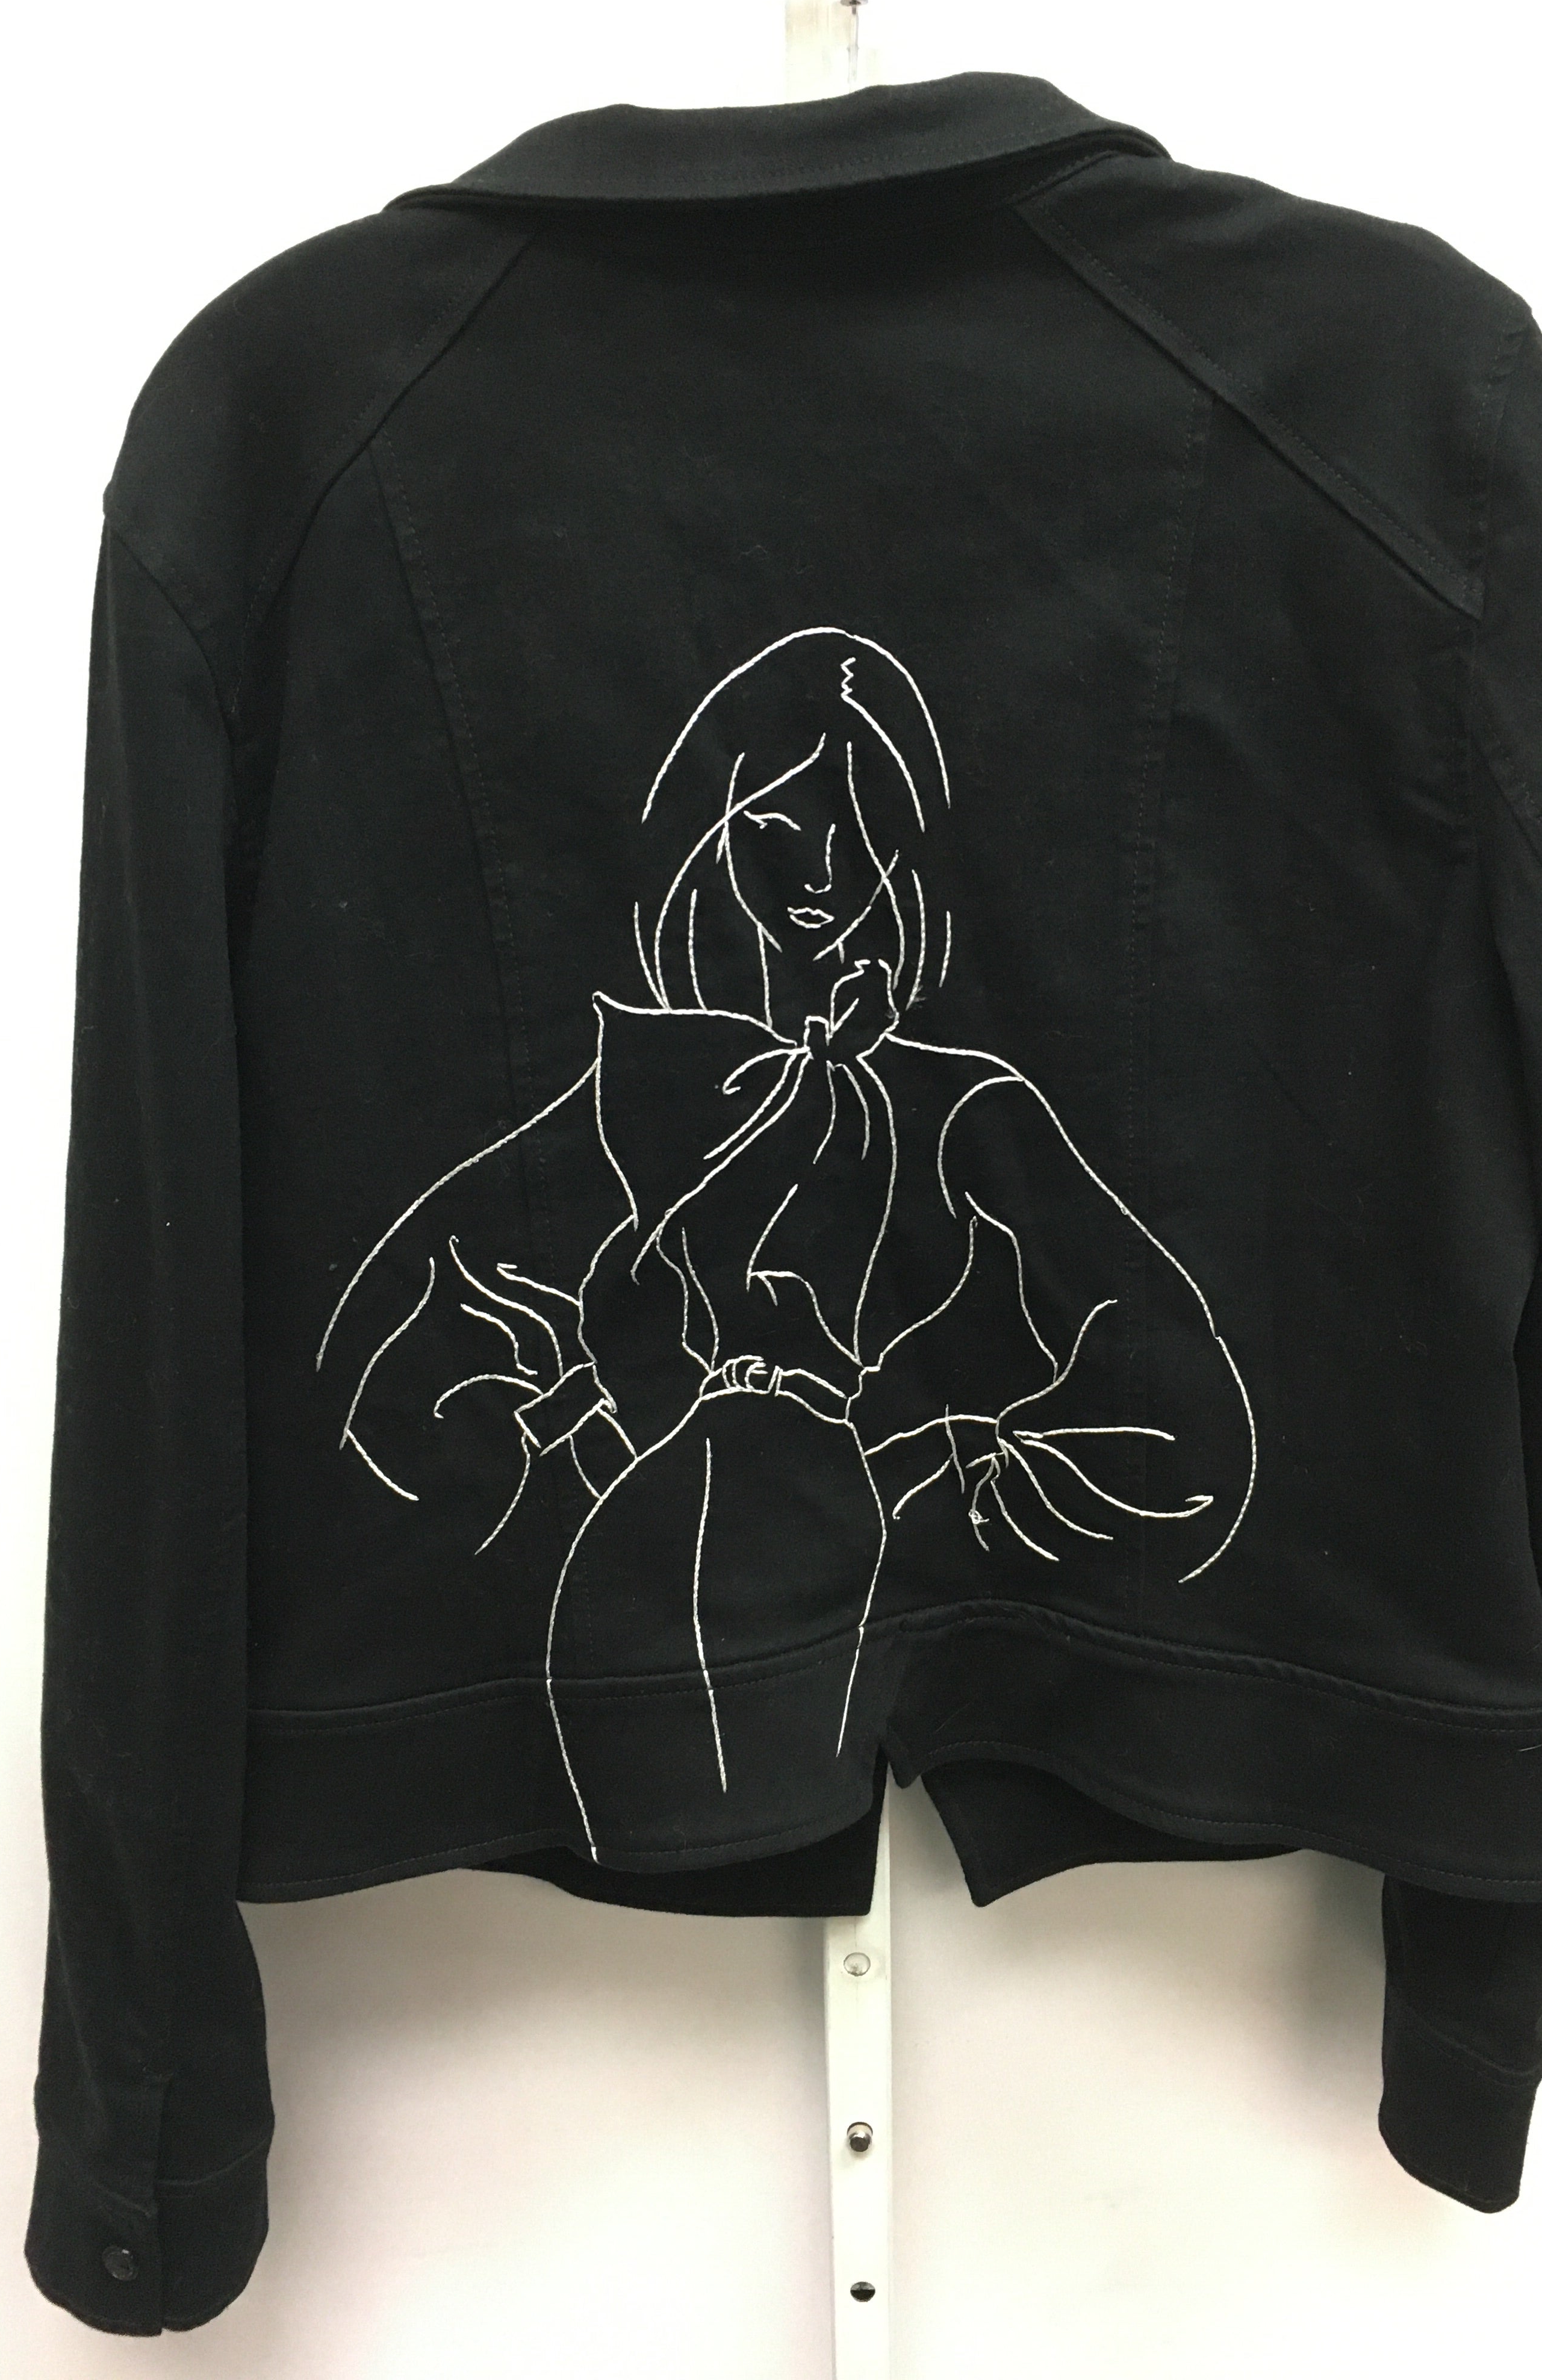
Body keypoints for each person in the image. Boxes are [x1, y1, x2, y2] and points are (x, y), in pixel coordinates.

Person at [318, 629, 1254, 1853]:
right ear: (707, 829)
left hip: (908, 1701)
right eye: (775, 826)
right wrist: (579, 1441)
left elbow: (1191, 1428)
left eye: (857, 833)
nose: (819, 872)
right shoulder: (604, 1114)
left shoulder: (964, 1114)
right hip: (612, 1708)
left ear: (901, 854)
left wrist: (927, 1479)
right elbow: (372, 1419)